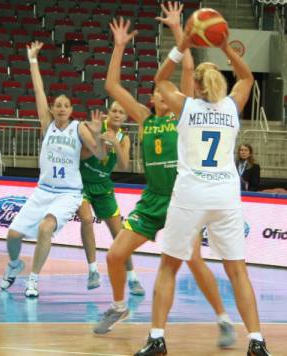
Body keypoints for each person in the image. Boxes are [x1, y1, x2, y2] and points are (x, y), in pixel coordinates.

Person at [94, 8, 236, 349]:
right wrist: (118, 46)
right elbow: (111, 85)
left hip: (182, 200)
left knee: (195, 261)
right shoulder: (144, 118)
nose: (163, 91)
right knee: (114, 255)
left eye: (166, 89)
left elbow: (187, 67)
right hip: (154, 198)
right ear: (153, 98)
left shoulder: (184, 113)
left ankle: (223, 319)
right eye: (159, 90)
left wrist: (177, 30)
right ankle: (118, 306)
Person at [134, 14, 271, 356]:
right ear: (220, 85)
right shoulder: (232, 106)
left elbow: (160, 79)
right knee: (238, 271)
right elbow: (247, 76)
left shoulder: (184, 107)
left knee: (168, 266)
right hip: (225, 195)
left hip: (191, 194)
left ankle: (156, 339)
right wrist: (225, 46)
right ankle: (256, 340)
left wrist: (181, 45)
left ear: (195, 86)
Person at [0, 41, 106, 298]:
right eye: (57, 105)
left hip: (67, 193)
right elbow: (38, 92)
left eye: (65, 106)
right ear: (52, 109)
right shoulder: (47, 125)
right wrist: (33, 60)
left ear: (71, 110)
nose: (60, 108)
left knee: (45, 228)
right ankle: (15, 264)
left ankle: (33, 279)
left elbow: (101, 155)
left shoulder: (78, 127)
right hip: (43, 190)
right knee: (13, 235)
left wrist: (99, 133)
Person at [78, 101, 145, 295]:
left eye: (121, 112)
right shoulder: (96, 126)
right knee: (86, 219)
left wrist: (114, 143)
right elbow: (81, 155)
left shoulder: (124, 138)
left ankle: (132, 277)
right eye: (114, 111)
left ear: (125, 118)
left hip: (104, 185)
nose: (117, 114)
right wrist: (98, 141)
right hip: (82, 182)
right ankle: (92, 271)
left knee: (120, 234)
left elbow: (124, 165)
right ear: (108, 113)